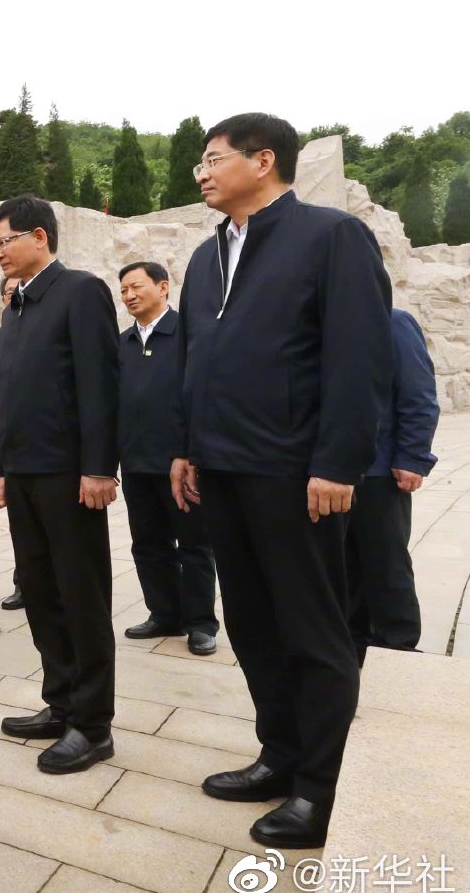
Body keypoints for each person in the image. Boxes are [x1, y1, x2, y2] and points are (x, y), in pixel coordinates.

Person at [171, 113, 390, 849]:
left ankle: (321, 788)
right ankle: (280, 754)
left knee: (311, 628)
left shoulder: (331, 237)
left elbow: (359, 357)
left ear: (263, 160)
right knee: (252, 621)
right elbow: (195, 359)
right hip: (222, 467)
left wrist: (338, 462)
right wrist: (186, 447)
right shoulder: (207, 256)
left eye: (213, 159)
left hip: (295, 472)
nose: (202, 173)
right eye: (201, 162)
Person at [0, 195, 120, 775]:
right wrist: (2, 467)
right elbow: (10, 397)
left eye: (5, 241)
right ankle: (61, 703)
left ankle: (92, 726)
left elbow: (100, 385)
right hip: (24, 474)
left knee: (80, 596)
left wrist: (99, 467)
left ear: (39, 236)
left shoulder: (80, 292)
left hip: (70, 476)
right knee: (40, 591)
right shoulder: (16, 307)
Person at [115, 262, 218, 656]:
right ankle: (164, 613)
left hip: (180, 464)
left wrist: (187, 452)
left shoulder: (188, 335)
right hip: (136, 462)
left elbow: (201, 397)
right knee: (148, 543)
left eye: (136, 287)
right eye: (123, 290)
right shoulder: (122, 343)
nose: (129, 296)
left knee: (194, 544)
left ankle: (201, 623)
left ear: (162, 287)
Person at [347, 308, 438, 659]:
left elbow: (419, 395)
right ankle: (355, 643)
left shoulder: (395, 322)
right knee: (346, 565)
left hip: (381, 472)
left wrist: (412, 457)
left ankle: (398, 645)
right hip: (336, 471)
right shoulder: (330, 324)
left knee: (386, 564)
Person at [0, 276, 25, 612]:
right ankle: (23, 584)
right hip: (11, 442)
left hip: (53, 449)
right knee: (21, 525)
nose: (16, 297)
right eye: (10, 293)